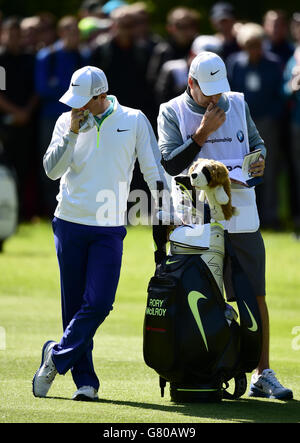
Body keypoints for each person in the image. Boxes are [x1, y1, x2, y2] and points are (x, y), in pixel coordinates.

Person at [157, 51, 293, 400]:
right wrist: (202, 134)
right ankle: (205, 370)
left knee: (254, 294)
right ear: (191, 84)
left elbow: (256, 143)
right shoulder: (171, 111)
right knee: (202, 295)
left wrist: (259, 160)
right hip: (196, 220)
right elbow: (171, 165)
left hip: (242, 213)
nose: (216, 98)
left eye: (220, 89)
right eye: (208, 91)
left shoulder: (237, 103)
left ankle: (263, 373)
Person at [32, 65, 166, 401]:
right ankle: (86, 383)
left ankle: (55, 355)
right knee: (74, 305)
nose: (76, 106)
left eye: (84, 100)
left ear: (101, 95)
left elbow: (153, 169)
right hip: (69, 220)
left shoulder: (134, 119)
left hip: (108, 224)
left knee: (100, 302)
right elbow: (51, 171)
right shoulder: (67, 122)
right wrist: (72, 133)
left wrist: (167, 210)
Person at [227, 22, 284, 229]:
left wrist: (272, 114)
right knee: (241, 169)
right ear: (242, 45)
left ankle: (270, 215)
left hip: (267, 122)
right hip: (240, 125)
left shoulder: (274, 63)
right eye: (249, 45)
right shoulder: (234, 63)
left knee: (266, 167)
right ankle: (244, 215)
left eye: (257, 44)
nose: (254, 49)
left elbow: (281, 93)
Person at [35, 15, 91, 217]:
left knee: (78, 159)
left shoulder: (83, 56)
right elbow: (42, 89)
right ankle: (50, 208)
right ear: (61, 33)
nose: (73, 35)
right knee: (52, 159)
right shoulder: (46, 56)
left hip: (80, 117)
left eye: (76, 31)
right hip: (51, 117)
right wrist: (71, 92)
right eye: (69, 30)